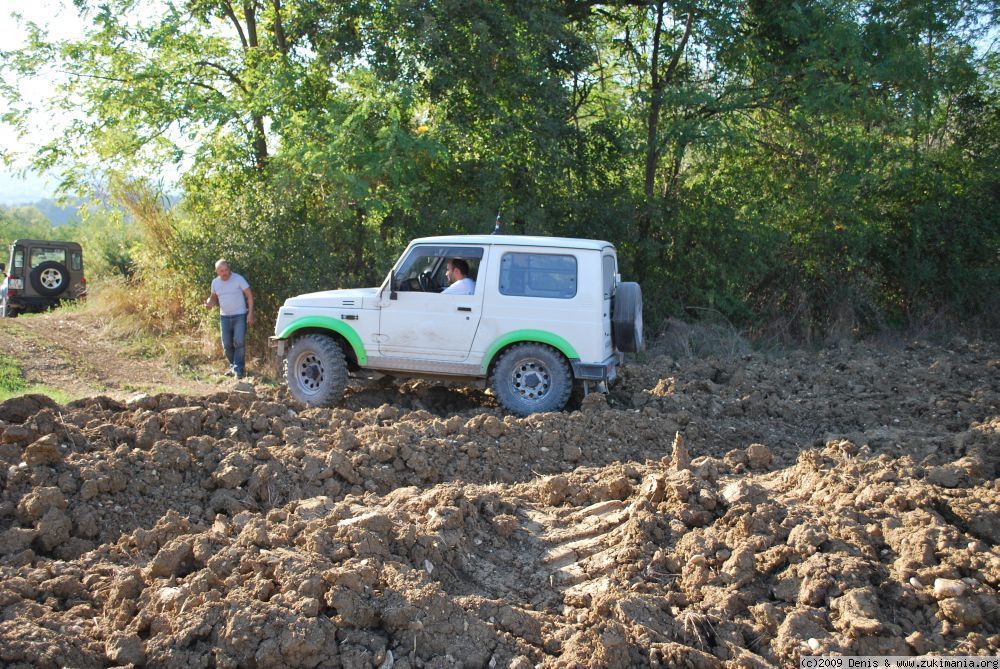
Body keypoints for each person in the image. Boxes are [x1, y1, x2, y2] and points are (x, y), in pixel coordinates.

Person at [205, 259, 254, 379]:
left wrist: (250, 313)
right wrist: (209, 303)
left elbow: (249, 296)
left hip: (240, 315)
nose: (225, 272)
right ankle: (233, 366)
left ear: (229, 269)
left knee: (239, 342)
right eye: (221, 271)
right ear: (217, 272)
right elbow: (213, 298)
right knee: (226, 344)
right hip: (224, 317)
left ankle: (239, 370)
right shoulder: (215, 283)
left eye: (226, 270)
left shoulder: (238, 279)